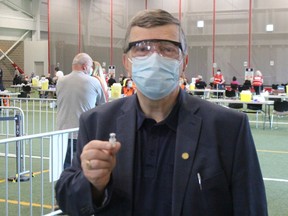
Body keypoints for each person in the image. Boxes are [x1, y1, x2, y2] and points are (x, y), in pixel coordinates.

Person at [55, 9, 267, 216]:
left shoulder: (228, 128)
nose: (154, 57)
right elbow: (68, 200)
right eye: (141, 48)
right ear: (126, 62)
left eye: (167, 48)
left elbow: (250, 206)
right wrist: (93, 185)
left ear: (183, 62)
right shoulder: (97, 122)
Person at [56, 53, 106, 169]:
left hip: (62, 131)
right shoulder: (93, 82)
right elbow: (102, 105)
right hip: (83, 132)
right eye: (90, 67)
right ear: (85, 67)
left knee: (66, 167)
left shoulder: (60, 81)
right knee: (85, 167)